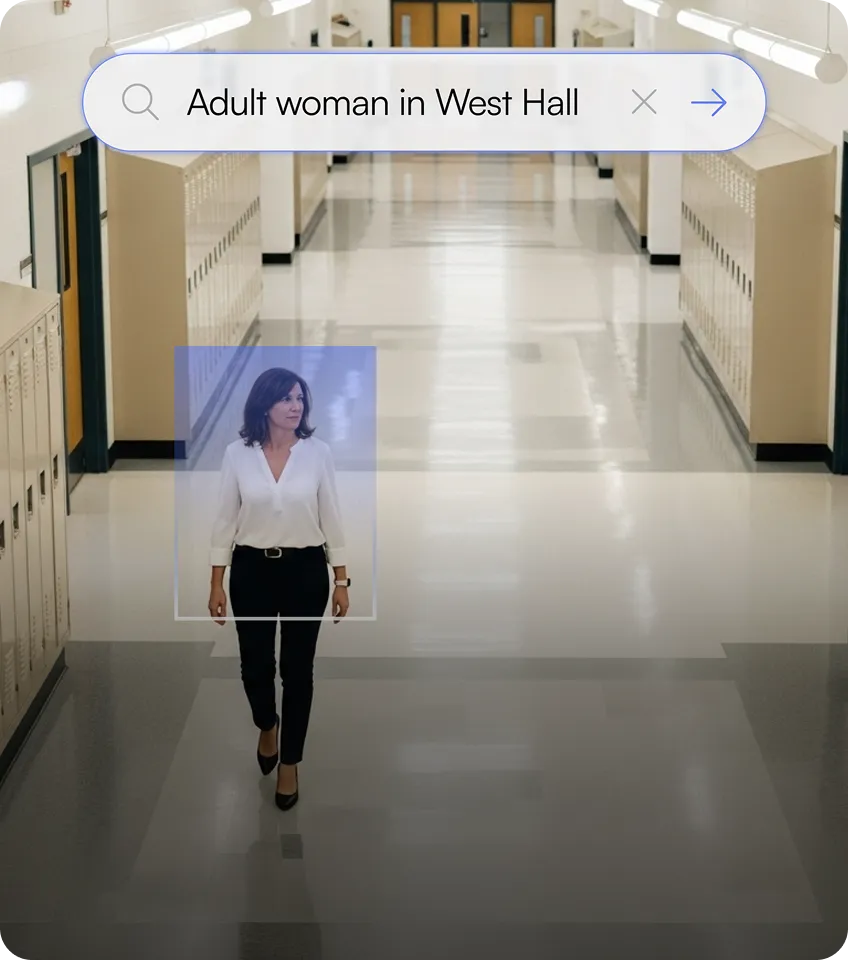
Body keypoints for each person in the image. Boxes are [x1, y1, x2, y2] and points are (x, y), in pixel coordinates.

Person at [208, 367, 350, 811]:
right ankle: (267, 724)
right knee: (255, 667)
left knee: (297, 671)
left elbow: (333, 517)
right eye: (286, 399)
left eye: (300, 399)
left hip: (306, 571)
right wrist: (217, 581)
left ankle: (289, 763)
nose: (295, 407)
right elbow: (224, 520)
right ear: (264, 405)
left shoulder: (318, 453)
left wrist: (341, 580)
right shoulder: (237, 455)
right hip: (251, 570)